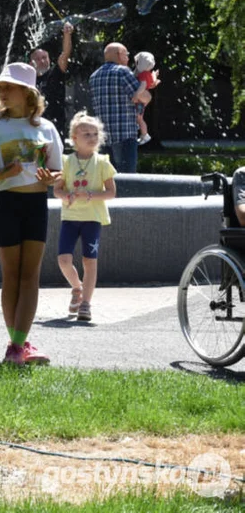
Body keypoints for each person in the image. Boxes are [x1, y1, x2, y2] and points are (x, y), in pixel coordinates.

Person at [0, 62, 63, 365]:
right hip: (7, 205)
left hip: (36, 205)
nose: (2, 92)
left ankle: (18, 344)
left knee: (30, 276)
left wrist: (51, 179)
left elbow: (56, 171)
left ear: (27, 93)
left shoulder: (46, 127)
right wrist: (3, 172)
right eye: (0, 88)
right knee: (11, 276)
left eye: (8, 87)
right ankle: (17, 344)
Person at [53, 111, 116, 323]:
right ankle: (76, 287)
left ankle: (86, 304)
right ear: (74, 139)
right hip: (70, 217)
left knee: (90, 261)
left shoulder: (103, 163)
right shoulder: (66, 162)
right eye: (86, 134)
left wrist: (90, 195)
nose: (91, 137)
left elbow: (111, 193)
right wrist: (66, 195)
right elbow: (57, 190)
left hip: (92, 218)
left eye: (95, 133)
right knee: (63, 260)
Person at [89, 43, 150, 173]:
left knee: (107, 181)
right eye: (126, 54)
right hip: (125, 136)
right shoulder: (123, 72)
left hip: (103, 138)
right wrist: (147, 89)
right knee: (127, 182)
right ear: (119, 55)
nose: (128, 58)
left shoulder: (94, 76)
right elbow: (144, 97)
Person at [30, 21, 73, 135]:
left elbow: (65, 53)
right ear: (31, 63)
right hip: (34, 127)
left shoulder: (55, 73)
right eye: (38, 59)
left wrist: (67, 35)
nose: (42, 61)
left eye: (45, 57)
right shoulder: (28, 79)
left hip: (56, 127)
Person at [133, 51, 159, 145]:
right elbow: (150, 85)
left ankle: (144, 135)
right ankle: (143, 134)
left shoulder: (143, 74)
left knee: (139, 118)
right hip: (143, 99)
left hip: (141, 99)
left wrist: (136, 94)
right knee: (139, 118)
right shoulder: (147, 73)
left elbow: (143, 86)